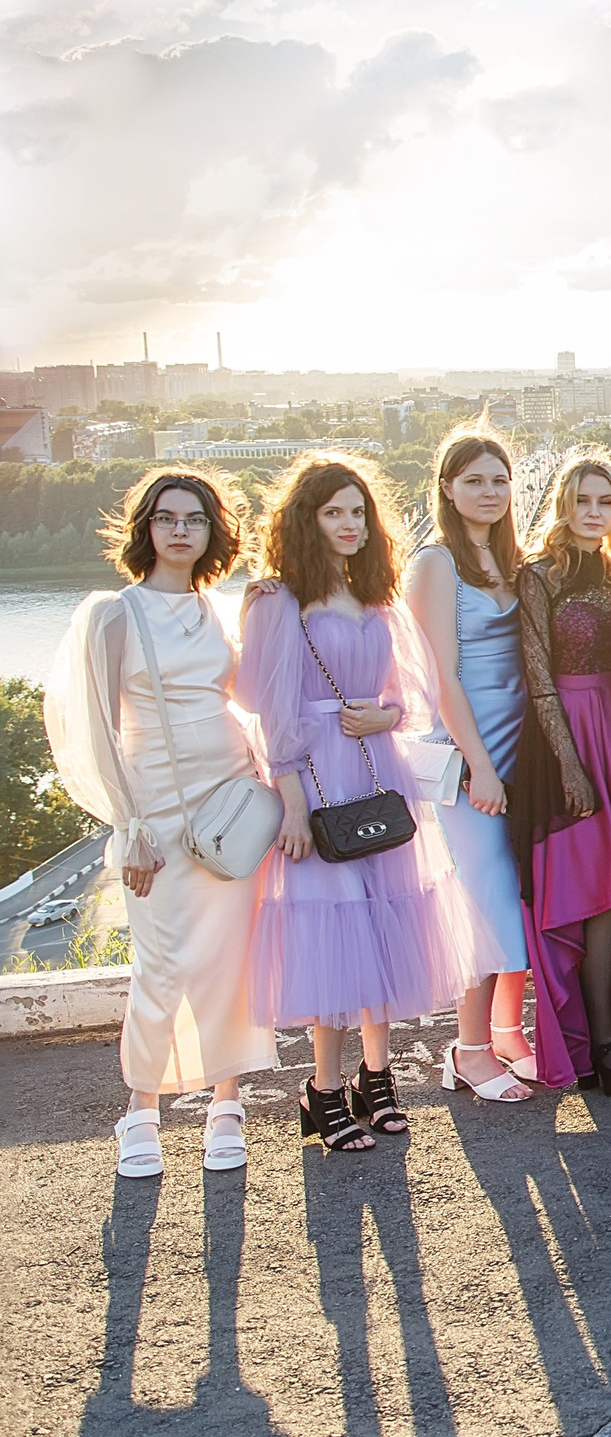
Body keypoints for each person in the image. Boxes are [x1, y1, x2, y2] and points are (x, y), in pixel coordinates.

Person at [237, 456, 491, 1152]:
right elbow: (270, 714)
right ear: (305, 519)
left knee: (387, 921)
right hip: (318, 780)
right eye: (334, 512)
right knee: (335, 932)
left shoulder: (376, 594)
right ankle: (322, 1088)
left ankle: (378, 1079)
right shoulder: (277, 600)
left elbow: (411, 691)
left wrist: (386, 717)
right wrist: (289, 804)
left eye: (358, 512)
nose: (349, 525)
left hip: (378, 773)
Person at [49, 470, 279, 1176]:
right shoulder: (116, 613)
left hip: (229, 801)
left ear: (213, 532)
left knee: (230, 961)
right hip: (155, 808)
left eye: (196, 520)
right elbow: (99, 730)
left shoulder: (219, 607)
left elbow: (243, 694)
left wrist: (269, 614)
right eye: (167, 518)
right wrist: (129, 826)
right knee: (162, 963)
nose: (181, 530)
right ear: (145, 528)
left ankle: (226, 1101)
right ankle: (139, 1110)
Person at [512, 456, 611, 1096]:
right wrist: (570, 763)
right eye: (583, 499)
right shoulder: (538, 577)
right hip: (561, 735)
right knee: (587, 889)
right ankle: (594, 1042)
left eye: (606, 501)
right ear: (565, 505)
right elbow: (538, 676)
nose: (595, 511)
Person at [405, 430, 535, 1104]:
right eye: (475, 480)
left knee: (515, 892)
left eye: (499, 480)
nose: (489, 492)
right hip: (468, 749)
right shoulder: (436, 563)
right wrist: (479, 767)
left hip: (520, 741)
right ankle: (468, 1049)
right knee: (482, 897)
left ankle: (509, 1030)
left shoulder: (512, 560)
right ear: (448, 489)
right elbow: (442, 677)